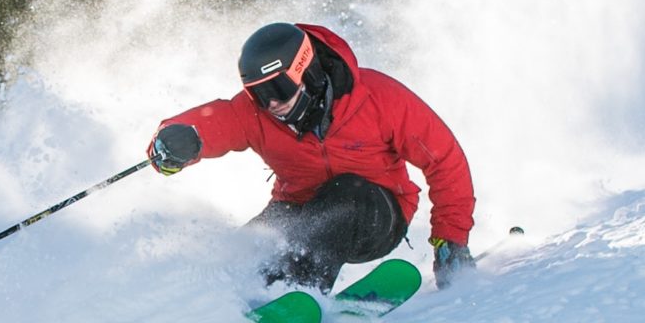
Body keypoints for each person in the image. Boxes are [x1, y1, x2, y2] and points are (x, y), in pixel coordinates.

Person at [147, 22, 476, 292]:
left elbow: (444, 160)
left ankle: (293, 292)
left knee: (343, 198)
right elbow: (216, 120)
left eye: (278, 89)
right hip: (299, 209)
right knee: (249, 249)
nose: (272, 103)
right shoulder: (257, 114)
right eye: (260, 94)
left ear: (307, 69)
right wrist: (175, 139)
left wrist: (450, 239)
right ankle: (218, 305)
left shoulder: (378, 98)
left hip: (376, 214)